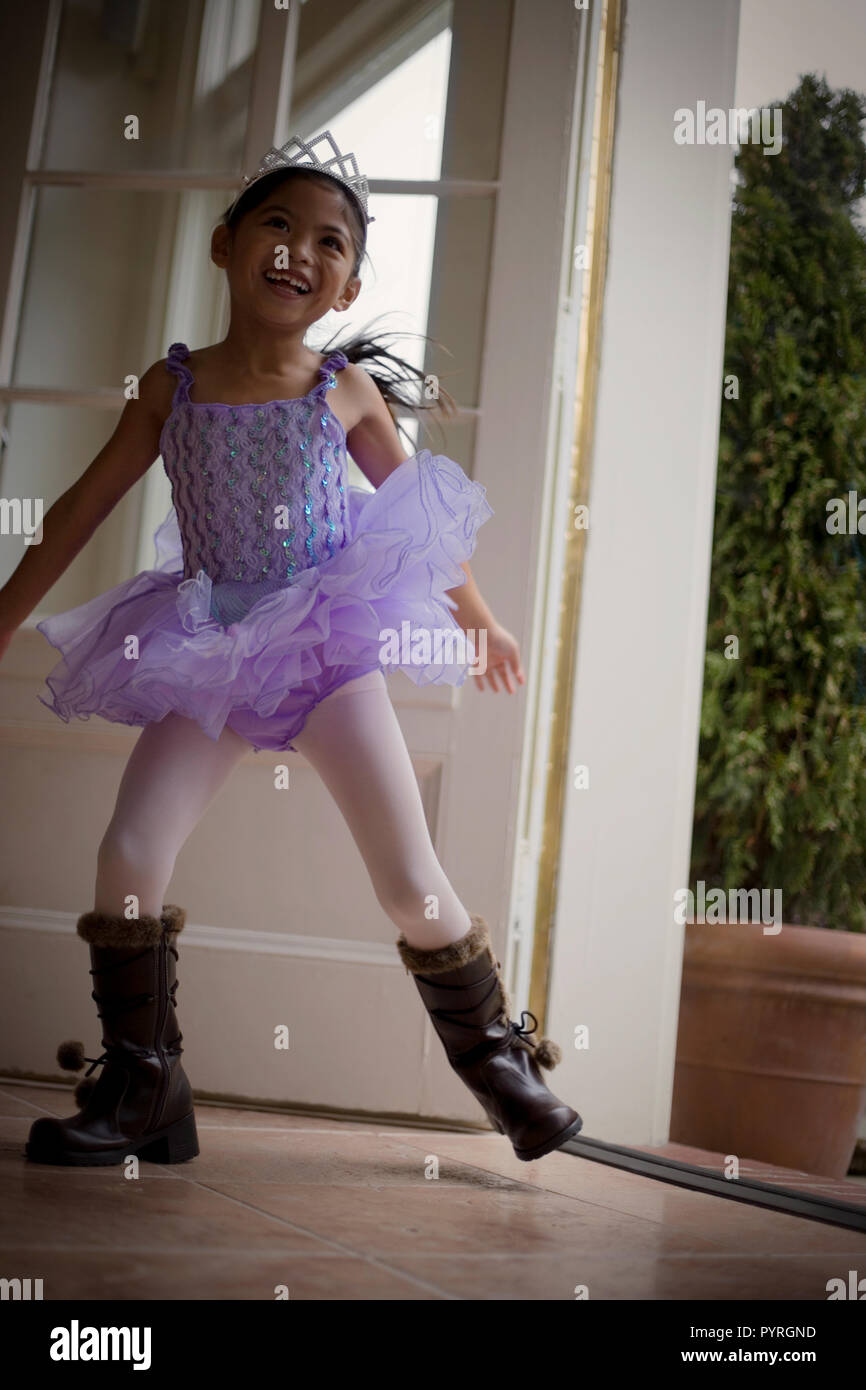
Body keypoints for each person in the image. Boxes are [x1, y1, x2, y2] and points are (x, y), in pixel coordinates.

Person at [0, 130, 582, 1168]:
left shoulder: (342, 389)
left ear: (346, 285)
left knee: (408, 881)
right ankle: (145, 1086)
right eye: (278, 224)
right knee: (129, 853)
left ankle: (500, 1065)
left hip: (324, 646)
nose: (297, 251)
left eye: (327, 241)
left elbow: (418, 518)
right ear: (225, 245)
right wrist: (3, 618)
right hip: (208, 644)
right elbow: (82, 511)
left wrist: (479, 617)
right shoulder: (170, 388)